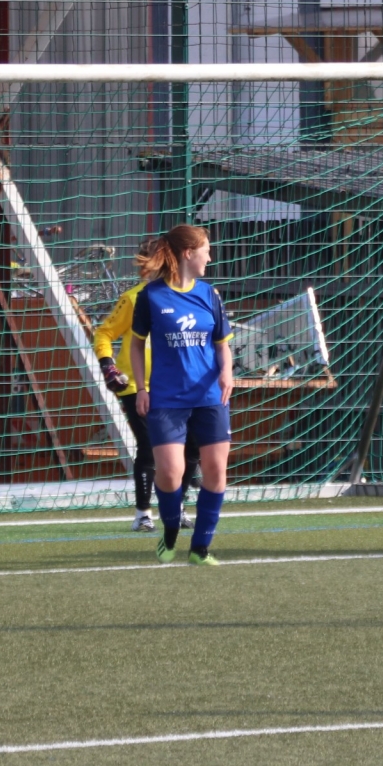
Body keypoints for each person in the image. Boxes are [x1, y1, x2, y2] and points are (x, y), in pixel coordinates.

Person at [128, 224, 235, 566]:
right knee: (171, 472)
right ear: (189, 253)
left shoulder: (210, 295)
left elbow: (222, 345)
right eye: (206, 250)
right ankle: (171, 530)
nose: (210, 257)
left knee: (216, 470)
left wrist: (227, 372)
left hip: (209, 397)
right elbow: (135, 345)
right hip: (167, 399)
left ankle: (200, 549)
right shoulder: (151, 296)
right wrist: (141, 388)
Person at [95, 238, 198, 533]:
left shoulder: (189, 296)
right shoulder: (134, 298)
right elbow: (104, 333)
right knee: (150, 446)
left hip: (179, 386)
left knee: (192, 447)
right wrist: (108, 366)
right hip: (138, 386)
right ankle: (143, 514)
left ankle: (177, 507)